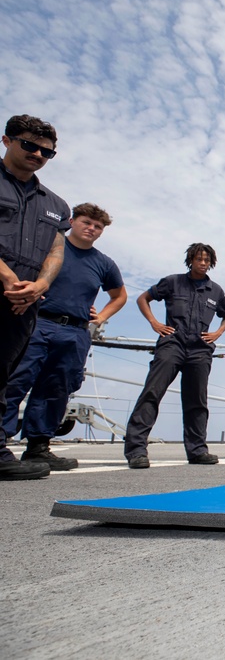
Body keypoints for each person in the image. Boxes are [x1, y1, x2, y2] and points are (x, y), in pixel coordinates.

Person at [2, 204, 126, 470]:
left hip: (75, 332)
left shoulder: (103, 263)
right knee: (15, 382)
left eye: (98, 227)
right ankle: (1, 442)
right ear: (71, 221)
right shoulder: (50, 249)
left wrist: (101, 316)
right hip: (38, 323)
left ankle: (38, 447)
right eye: (86, 222)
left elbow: (119, 296)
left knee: (57, 390)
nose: (91, 229)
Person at [0, 114, 71, 481]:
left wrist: (41, 286)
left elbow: (56, 251)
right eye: (29, 145)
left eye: (46, 152)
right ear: (7, 140)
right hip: (10, 286)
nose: (38, 154)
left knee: (5, 373)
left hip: (24, 301)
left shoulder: (56, 205)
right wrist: (8, 278)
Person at [123, 243, 225, 469]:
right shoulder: (172, 282)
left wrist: (218, 333)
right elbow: (143, 298)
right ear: (190, 260)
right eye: (198, 259)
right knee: (152, 393)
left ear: (211, 263)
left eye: (206, 260)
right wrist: (154, 323)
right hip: (172, 344)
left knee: (197, 401)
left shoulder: (216, 291)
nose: (203, 263)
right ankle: (136, 450)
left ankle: (197, 450)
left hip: (200, 349)